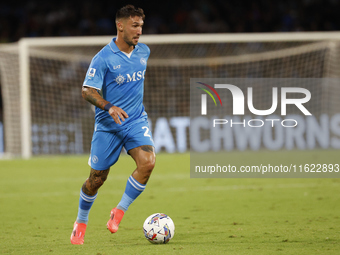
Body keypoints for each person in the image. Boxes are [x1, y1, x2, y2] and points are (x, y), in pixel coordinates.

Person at [70, 5, 155, 245]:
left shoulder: (143, 52)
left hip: (135, 120)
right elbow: (87, 90)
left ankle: (118, 212)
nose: (139, 31)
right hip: (108, 124)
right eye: (134, 26)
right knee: (96, 180)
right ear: (120, 26)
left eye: (141, 26)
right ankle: (81, 221)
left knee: (148, 162)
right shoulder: (103, 57)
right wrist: (109, 106)